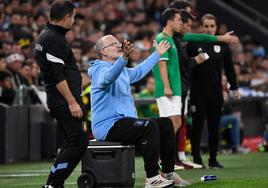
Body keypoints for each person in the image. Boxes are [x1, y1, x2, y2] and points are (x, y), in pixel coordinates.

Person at [88, 35, 190, 187]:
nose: (119, 45)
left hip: (124, 122)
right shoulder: (96, 69)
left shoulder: (121, 69)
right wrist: (123, 58)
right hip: (107, 126)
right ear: (103, 52)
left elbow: (139, 71)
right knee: (149, 126)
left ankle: (168, 172)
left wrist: (157, 54)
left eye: (118, 42)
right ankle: (152, 178)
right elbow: (107, 79)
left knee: (166, 123)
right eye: (114, 44)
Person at [170, 8, 239, 169]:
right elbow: (184, 64)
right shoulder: (193, 43)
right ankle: (197, 159)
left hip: (216, 93)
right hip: (197, 93)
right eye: (206, 26)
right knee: (197, 127)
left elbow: (229, 67)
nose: (209, 29)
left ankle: (213, 159)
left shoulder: (222, 45)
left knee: (215, 127)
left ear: (215, 27)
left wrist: (234, 87)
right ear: (201, 27)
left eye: (212, 26)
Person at [34, 1, 88, 187]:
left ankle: (53, 183)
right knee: (78, 141)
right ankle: (54, 184)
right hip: (64, 101)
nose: (73, 21)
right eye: (73, 17)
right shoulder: (54, 39)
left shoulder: (47, 35)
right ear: (66, 17)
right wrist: (72, 102)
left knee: (69, 142)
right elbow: (57, 76)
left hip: (59, 99)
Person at [152, 8, 183, 136]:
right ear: (170, 22)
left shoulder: (169, 39)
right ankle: (160, 155)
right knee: (172, 123)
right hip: (168, 88)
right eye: (179, 20)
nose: (181, 23)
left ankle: (165, 155)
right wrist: (167, 87)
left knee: (175, 122)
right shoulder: (162, 38)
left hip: (173, 87)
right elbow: (161, 63)